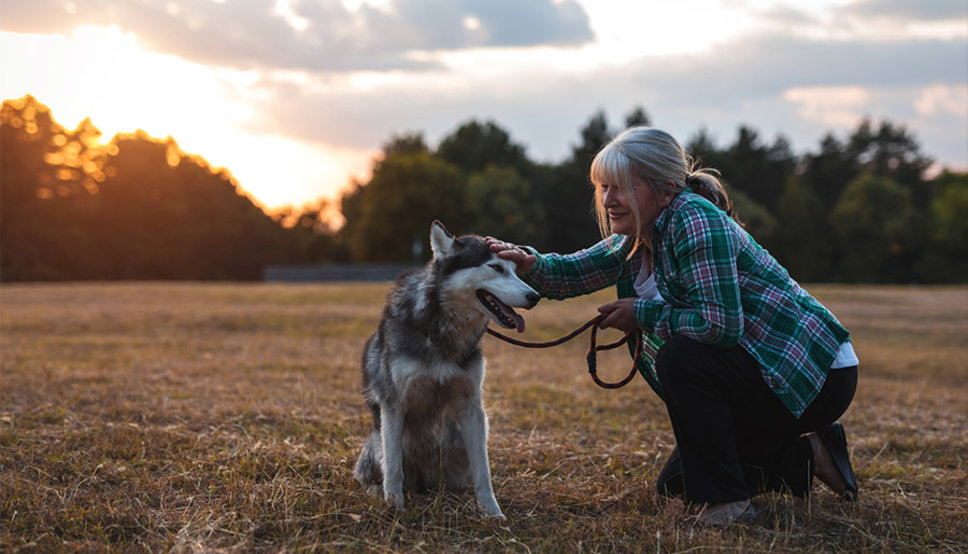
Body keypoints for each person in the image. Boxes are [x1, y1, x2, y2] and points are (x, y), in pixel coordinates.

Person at [486, 126, 859, 526]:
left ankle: (731, 505)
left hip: (812, 373)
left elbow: (720, 325)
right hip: (759, 375)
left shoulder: (695, 220)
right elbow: (573, 272)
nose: (609, 200)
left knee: (682, 357)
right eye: (604, 188)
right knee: (677, 486)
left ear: (665, 190)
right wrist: (529, 262)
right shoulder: (637, 234)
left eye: (622, 187)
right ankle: (813, 454)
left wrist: (641, 314)